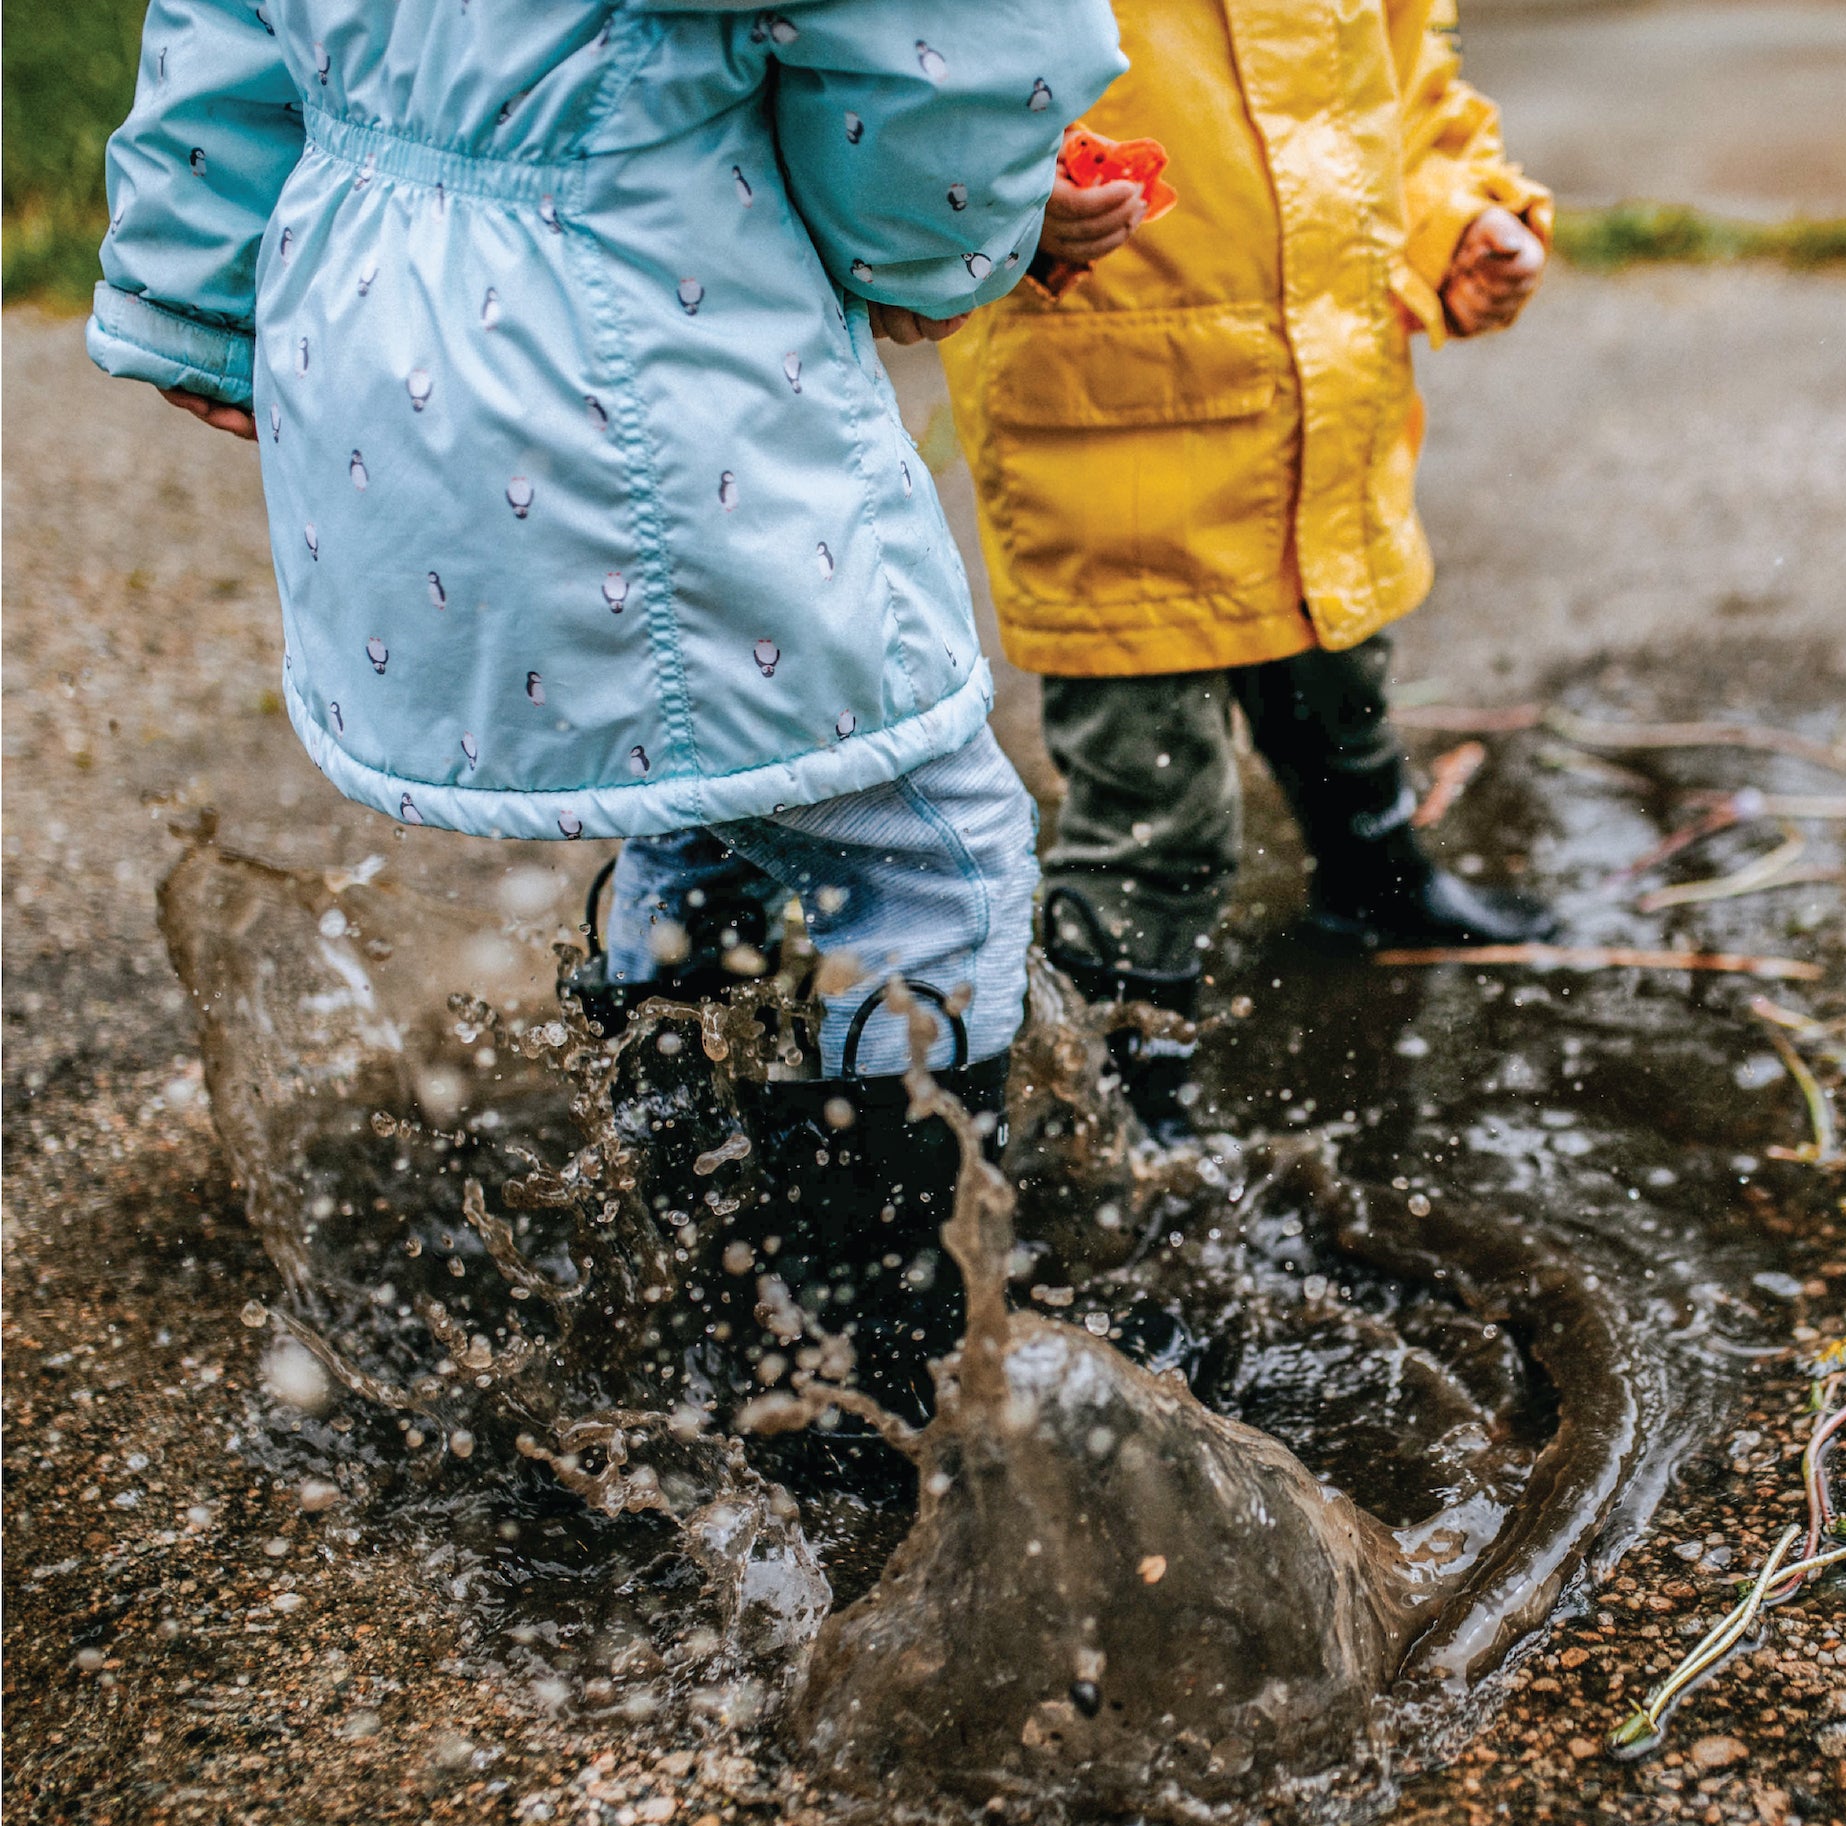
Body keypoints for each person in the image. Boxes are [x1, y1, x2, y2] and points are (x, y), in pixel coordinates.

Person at [88, 0, 1126, 1434]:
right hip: (648, 342)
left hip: (372, 320)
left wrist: (197, 293)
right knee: (929, 855)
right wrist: (947, 244)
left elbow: (218, 23)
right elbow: (954, 39)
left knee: (696, 775)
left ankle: (700, 1241)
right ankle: (895, 1378)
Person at [940, 0, 1554, 1136]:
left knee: (1337, 667)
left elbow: (1399, 90)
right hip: (1113, 415)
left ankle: (1371, 878)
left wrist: (1456, 221)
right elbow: (915, 87)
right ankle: (1123, 1085)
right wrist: (993, 205)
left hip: (1318, 394)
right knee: (1151, 793)